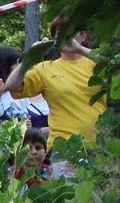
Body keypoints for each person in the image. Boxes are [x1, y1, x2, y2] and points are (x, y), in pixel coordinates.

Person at [7, 21, 105, 149]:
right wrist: (30, 57)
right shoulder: (45, 68)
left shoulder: (96, 63)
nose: (65, 38)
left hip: (99, 146)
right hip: (64, 149)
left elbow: (113, 65)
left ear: (82, 36)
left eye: (69, 33)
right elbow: (12, 85)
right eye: (60, 34)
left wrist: (80, 49)